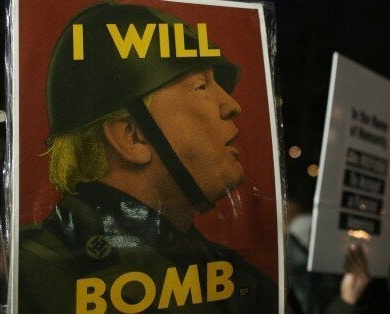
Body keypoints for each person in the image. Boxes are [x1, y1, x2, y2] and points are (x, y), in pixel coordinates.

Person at [19, 2, 278, 313]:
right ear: (132, 136)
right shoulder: (38, 269)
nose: (231, 105)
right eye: (201, 87)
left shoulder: (228, 270)